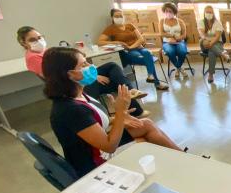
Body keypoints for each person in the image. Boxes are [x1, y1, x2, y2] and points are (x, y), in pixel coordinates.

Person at [43, 47, 183, 177]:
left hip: (98, 148)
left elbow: (93, 121)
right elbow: (109, 146)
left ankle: (183, 157)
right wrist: (120, 113)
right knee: (144, 138)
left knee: (145, 123)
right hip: (95, 163)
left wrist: (118, 118)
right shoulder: (70, 109)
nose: (91, 67)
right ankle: (183, 161)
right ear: (70, 74)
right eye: (84, 65)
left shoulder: (78, 95)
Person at [17, 26, 149, 117]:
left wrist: (91, 71)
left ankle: (130, 94)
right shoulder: (33, 58)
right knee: (116, 81)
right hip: (72, 86)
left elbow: (72, 66)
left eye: (40, 37)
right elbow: (63, 76)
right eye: (33, 39)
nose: (39, 41)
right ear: (23, 43)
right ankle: (131, 106)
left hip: (75, 78)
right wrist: (95, 77)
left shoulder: (45, 52)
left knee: (112, 66)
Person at [98, 9, 168, 90]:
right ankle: (157, 83)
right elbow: (100, 42)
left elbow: (141, 39)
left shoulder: (130, 25)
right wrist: (117, 42)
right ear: (112, 17)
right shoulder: (110, 29)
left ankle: (150, 76)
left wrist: (131, 46)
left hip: (138, 47)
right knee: (148, 59)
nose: (119, 17)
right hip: (128, 52)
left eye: (121, 16)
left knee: (147, 53)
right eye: (116, 16)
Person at [197, 5, 230, 83]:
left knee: (211, 53)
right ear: (204, 13)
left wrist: (211, 43)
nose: (209, 13)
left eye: (210, 12)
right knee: (204, 42)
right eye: (207, 12)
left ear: (213, 13)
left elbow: (217, 37)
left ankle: (210, 75)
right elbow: (202, 35)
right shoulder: (201, 22)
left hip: (216, 43)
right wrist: (208, 40)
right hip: (204, 44)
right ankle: (223, 54)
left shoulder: (217, 22)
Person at [159, 2, 188, 80]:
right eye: (166, 11)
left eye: (170, 11)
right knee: (169, 52)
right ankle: (179, 68)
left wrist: (177, 38)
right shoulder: (162, 21)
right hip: (167, 42)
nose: (168, 13)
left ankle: (177, 68)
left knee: (182, 51)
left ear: (174, 12)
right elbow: (161, 33)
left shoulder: (180, 21)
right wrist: (172, 36)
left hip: (179, 41)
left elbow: (184, 35)